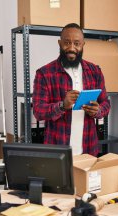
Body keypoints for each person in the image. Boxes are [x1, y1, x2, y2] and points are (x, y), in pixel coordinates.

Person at [32, 23, 110, 156]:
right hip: (57, 152)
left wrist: (98, 111)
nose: (72, 48)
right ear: (59, 43)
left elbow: (106, 104)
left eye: (77, 43)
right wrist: (62, 105)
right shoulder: (45, 73)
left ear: (83, 45)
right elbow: (38, 111)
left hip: (88, 149)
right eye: (67, 43)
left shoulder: (94, 71)